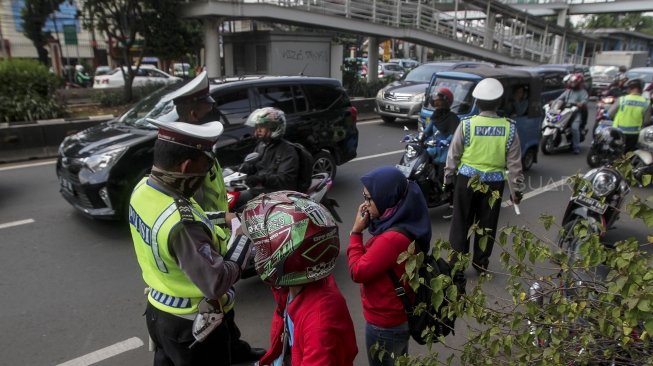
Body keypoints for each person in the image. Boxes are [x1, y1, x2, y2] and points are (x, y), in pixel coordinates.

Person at [129, 117, 253, 366]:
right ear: (186, 166)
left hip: (158, 311)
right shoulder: (182, 224)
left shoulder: (144, 189)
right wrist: (243, 238)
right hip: (192, 326)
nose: (206, 176)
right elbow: (215, 282)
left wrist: (223, 217)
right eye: (205, 169)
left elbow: (185, 217)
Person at [165, 70, 266, 364]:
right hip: (205, 237)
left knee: (225, 305)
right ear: (194, 111)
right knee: (218, 299)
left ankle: (236, 349)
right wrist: (225, 220)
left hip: (218, 228)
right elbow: (185, 208)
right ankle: (230, 350)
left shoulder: (197, 139)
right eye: (209, 106)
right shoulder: (184, 147)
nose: (215, 111)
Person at [241, 191, 358, 365]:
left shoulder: (319, 321)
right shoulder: (295, 286)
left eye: (260, 248)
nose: (257, 254)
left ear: (284, 253)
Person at [347, 165, 432, 366]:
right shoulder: (408, 219)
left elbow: (357, 271)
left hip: (385, 325)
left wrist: (355, 233)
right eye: (364, 197)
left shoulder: (392, 239)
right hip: (397, 318)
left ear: (387, 197)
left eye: (369, 198)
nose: (365, 204)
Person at [443, 77, 524, 278]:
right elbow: (515, 165)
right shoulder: (510, 128)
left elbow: (453, 154)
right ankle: (481, 265)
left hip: (467, 181)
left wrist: (448, 178)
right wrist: (516, 191)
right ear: (499, 103)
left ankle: (456, 264)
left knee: (460, 222)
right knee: (486, 225)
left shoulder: (467, 125)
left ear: (477, 102)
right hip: (493, 184)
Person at [234, 107, 300, 208]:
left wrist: (261, 179)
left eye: (262, 127)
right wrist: (236, 169)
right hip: (262, 190)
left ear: (274, 128)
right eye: (257, 127)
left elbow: (285, 180)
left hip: (277, 194)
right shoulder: (262, 145)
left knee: (239, 201)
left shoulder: (287, 150)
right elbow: (253, 165)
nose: (258, 130)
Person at [422, 87, 460, 219]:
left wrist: (444, 142)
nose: (436, 102)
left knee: (445, 178)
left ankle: (453, 205)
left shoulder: (453, 118)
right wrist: (420, 138)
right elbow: (427, 131)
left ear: (446, 101)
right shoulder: (435, 116)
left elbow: (453, 136)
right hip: (432, 151)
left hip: (446, 153)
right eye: (435, 100)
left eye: (438, 100)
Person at [609, 78, 652, 152]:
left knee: (615, 151)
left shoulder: (622, 99)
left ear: (630, 89)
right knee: (628, 154)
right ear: (641, 89)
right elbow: (646, 121)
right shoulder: (646, 103)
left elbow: (610, 114)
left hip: (617, 131)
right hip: (634, 134)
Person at [554, 73, 589, 154]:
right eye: (572, 82)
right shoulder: (568, 91)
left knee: (574, 128)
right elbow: (560, 98)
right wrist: (553, 102)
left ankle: (576, 147)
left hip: (575, 114)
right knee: (555, 121)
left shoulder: (583, 92)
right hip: (564, 112)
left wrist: (580, 104)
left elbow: (584, 101)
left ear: (579, 83)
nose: (573, 84)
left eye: (575, 82)